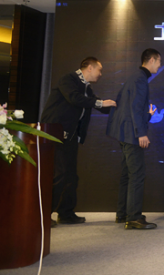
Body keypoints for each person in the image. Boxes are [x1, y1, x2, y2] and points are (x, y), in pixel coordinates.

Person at [41, 57, 116, 227]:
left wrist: (117, 106)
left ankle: (66, 213)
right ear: (89, 68)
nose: (101, 74)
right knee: (60, 174)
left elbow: (98, 106)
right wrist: (101, 102)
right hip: (56, 134)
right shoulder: (69, 79)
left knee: (71, 176)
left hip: (71, 136)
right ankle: (43, 215)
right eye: (99, 70)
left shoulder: (87, 89)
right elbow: (74, 98)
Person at [107, 48, 162, 230]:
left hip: (124, 133)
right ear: (152, 60)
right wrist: (141, 133)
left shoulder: (135, 78)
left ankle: (123, 214)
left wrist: (147, 116)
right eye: (159, 61)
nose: (160, 65)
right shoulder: (140, 79)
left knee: (127, 175)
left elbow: (130, 108)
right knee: (136, 175)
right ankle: (133, 217)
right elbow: (135, 108)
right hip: (131, 135)